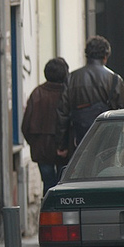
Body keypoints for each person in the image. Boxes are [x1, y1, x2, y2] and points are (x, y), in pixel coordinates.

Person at [56, 35, 124, 159]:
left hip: (79, 139)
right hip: (108, 143)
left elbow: (63, 114)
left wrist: (62, 145)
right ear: (106, 56)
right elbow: (123, 113)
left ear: (87, 55)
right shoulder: (115, 79)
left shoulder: (71, 78)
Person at [21, 57, 70, 195]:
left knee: (48, 185)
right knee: (63, 185)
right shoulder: (67, 93)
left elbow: (25, 126)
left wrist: (35, 143)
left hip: (41, 149)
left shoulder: (37, 93)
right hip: (64, 149)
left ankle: (48, 214)